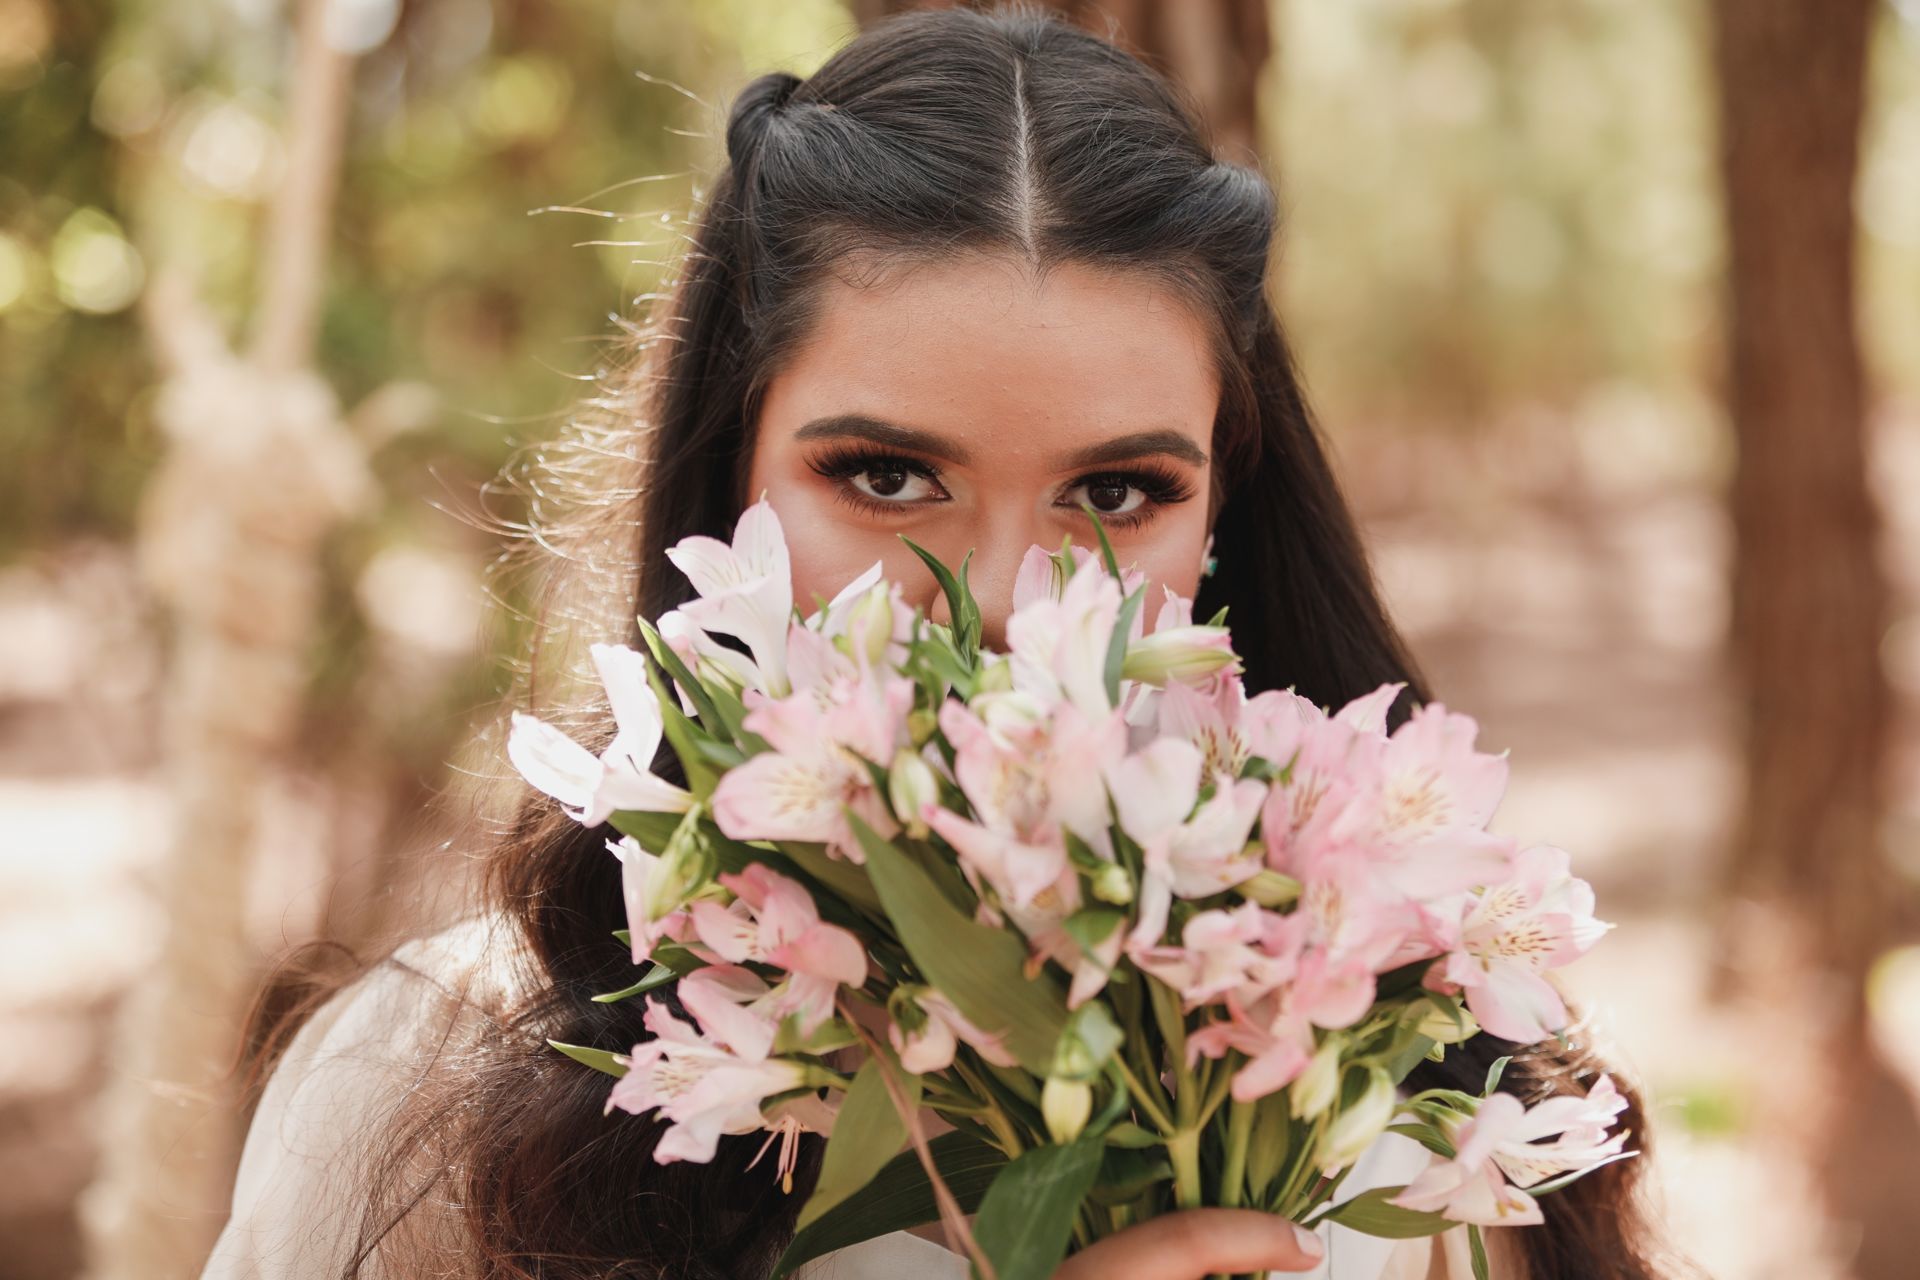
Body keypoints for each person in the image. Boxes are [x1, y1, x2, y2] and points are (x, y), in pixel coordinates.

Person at [204, 8, 1699, 1279]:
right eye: (885, 477)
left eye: (1116, 493)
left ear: (1225, 520)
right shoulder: (416, 1103)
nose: (1004, 605)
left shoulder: (1418, 1114)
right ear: (727, 483)